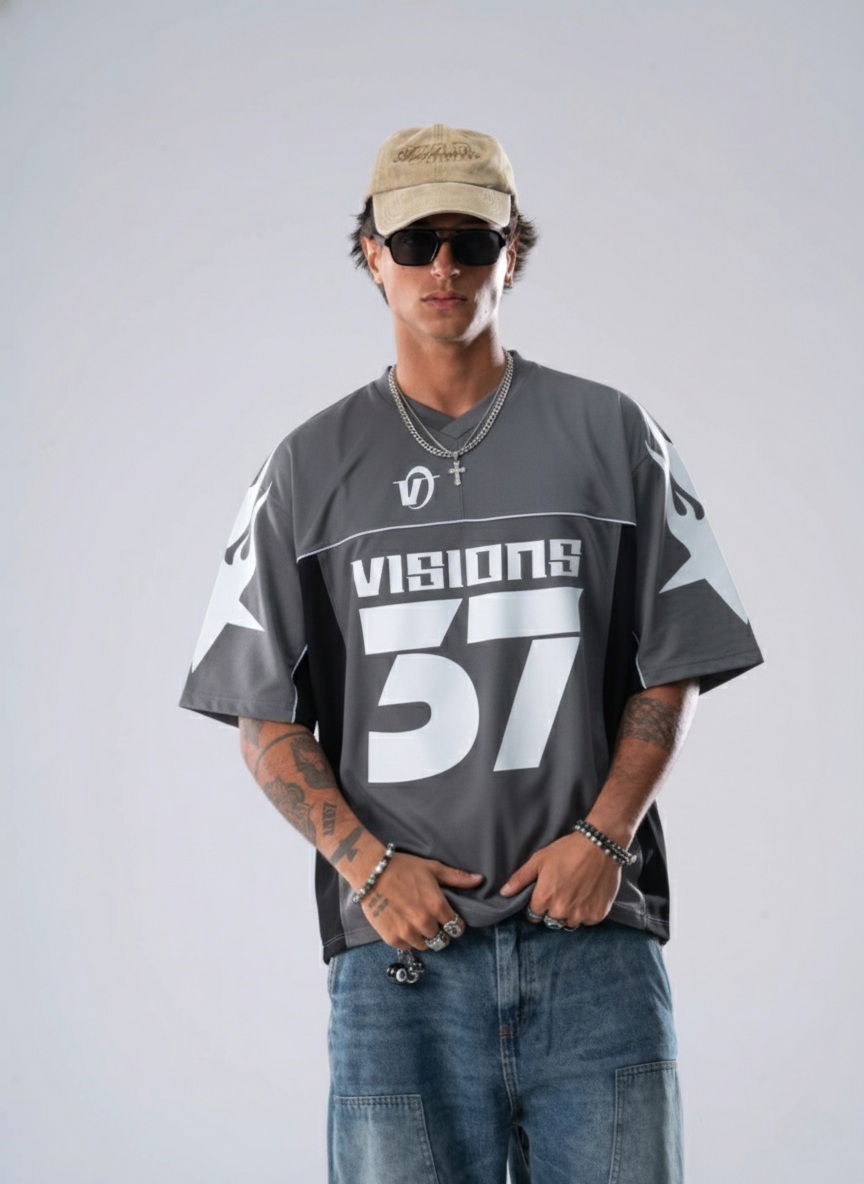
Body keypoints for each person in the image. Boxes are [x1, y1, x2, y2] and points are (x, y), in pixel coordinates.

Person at [178, 123, 764, 1184]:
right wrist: (368, 867)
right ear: (373, 255)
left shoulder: (613, 434)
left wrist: (605, 833)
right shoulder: (307, 468)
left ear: (511, 251)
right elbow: (262, 713)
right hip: (401, 966)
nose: (442, 266)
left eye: (471, 239)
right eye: (415, 241)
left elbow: (674, 661)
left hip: (594, 946)